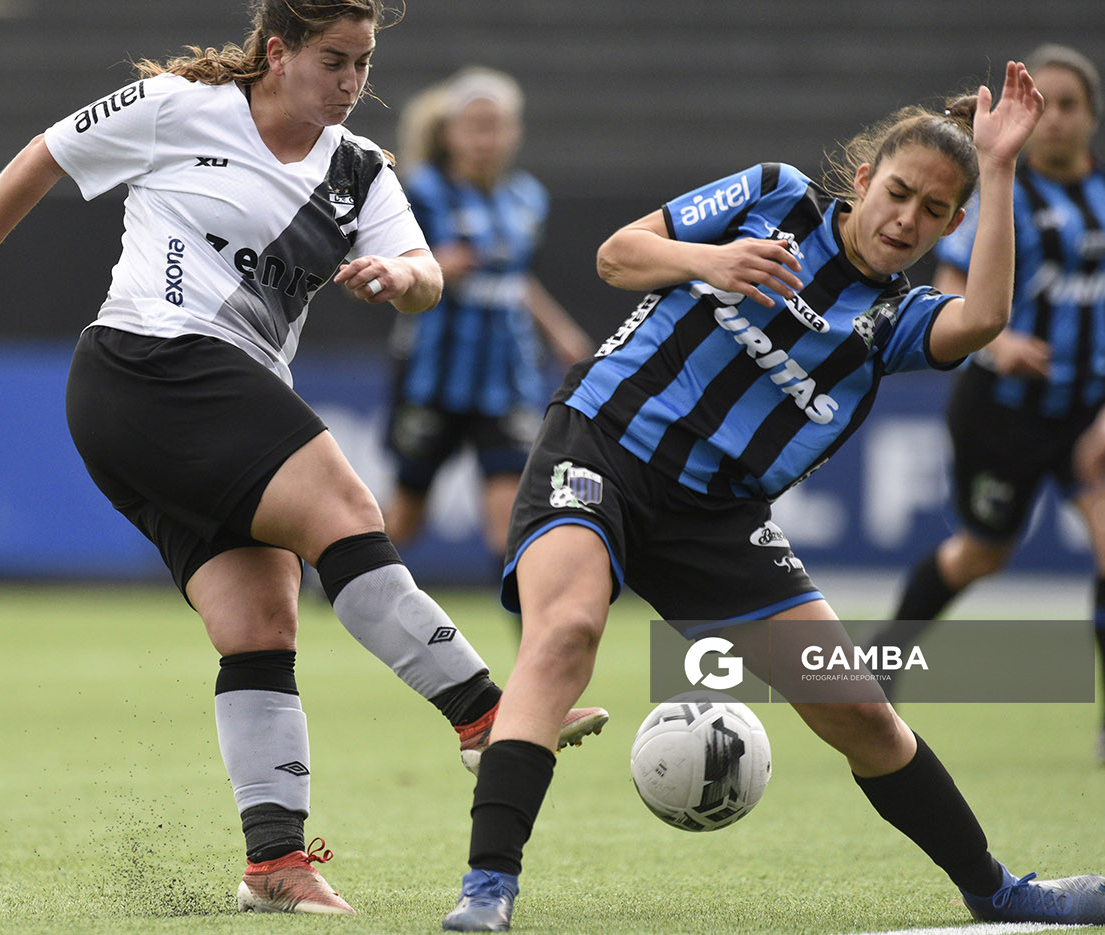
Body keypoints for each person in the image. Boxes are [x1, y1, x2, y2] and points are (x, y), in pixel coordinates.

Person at [0, 0, 606, 917]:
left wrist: (402, 278)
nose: (353, 83)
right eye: (334, 60)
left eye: (363, 64)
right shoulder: (174, 107)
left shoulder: (360, 172)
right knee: (348, 511)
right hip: (147, 361)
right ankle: (485, 711)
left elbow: (426, 273)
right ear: (276, 54)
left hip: (185, 403)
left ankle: (275, 859)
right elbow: (47, 152)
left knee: (261, 619)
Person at [442, 63, 1105, 932]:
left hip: (716, 515)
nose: (908, 220)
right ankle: (487, 891)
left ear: (953, 220)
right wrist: (709, 260)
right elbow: (617, 255)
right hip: (604, 441)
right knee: (564, 630)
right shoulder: (773, 196)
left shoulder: (895, 320)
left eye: (935, 210)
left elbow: (981, 319)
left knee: (861, 710)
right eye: (898, 192)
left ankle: (998, 891)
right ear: (864, 179)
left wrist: (1001, 168)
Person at [868, 45, 1105, 758]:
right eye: (1048, 104)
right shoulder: (1006, 198)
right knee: (980, 555)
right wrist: (998, 346)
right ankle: (882, 664)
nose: (1057, 119)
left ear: (1091, 117)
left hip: (1087, 411)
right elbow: (949, 290)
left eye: (1071, 105)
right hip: (1001, 412)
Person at [381, 68, 591, 580]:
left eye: (496, 126)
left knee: (509, 517)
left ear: (514, 133)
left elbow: (518, 282)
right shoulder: (422, 191)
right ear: (449, 131)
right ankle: (333, 588)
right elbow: (388, 259)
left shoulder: (527, 199)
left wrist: (562, 334)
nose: (486, 138)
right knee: (406, 515)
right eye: (475, 125)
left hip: (506, 378)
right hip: (433, 374)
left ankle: (534, 648)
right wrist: (429, 266)